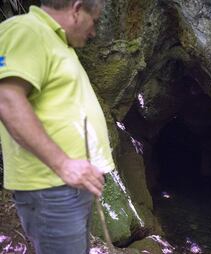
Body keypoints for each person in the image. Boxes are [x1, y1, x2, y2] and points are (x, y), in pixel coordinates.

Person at [0, 0, 115, 253]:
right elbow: (7, 99)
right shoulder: (27, 30)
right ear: (76, 9)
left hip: (68, 188)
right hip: (52, 189)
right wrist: (64, 164)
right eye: (94, 21)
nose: (94, 32)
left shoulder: (57, 43)